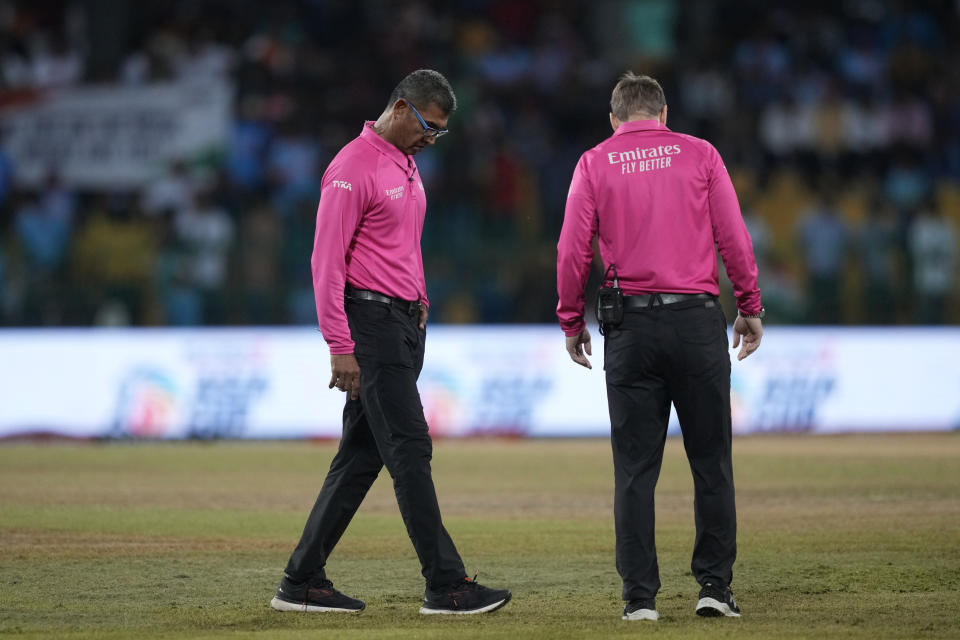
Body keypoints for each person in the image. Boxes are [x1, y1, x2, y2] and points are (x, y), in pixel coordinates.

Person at [270, 69, 511, 616]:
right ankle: (446, 584)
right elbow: (325, 262)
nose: (432, 138)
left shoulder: (405, 165)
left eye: (441, 132)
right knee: (409, 448)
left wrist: (420, 301)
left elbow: (401, 247)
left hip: (402, 325)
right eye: (429, 126)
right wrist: (339, 343)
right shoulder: (352, 168)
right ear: (401, 108)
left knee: (359, 458)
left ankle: (301, 580)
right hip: (371, 326)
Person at [556, 72, 763, 622]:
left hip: (630, 330)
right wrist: (750, 305)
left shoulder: (594, 162)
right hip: (696, 324)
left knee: (634, 470)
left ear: (614, 119)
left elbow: (572, 250)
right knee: (711, 463)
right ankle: (715, 587)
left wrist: (570, 320)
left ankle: (639, 600)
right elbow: (733, 237)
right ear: (665, 113)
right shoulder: (701, 155)